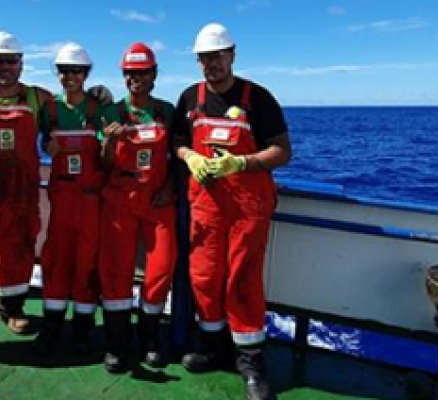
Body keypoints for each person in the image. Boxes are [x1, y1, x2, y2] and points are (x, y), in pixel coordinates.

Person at [171, 22, 292, 400]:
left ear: (232, 55)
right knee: (204, 278)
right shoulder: (190, 98)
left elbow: (282, 151)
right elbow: (176, 138)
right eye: (205, 58)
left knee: (242, 278)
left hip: (246, 207)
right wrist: (188, 155)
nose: (212, 64)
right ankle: (213, 346)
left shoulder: (258, 98)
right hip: (206, 206)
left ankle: (251, 362)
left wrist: (241, 163)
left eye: (218, 56)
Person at [99, 42, 177, 373]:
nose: (136, 78)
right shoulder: (111, 112)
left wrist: (171, 186)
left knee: (160, 267)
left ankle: (149, 338)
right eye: (130, 73)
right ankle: (118, 343)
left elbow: (180, 154)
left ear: (154, 74)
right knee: (116, 269)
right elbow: (101, 166)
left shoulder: (167, 111)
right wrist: (110, 143)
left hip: (158, 198)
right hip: (120, 196)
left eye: (142, 72)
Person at [33, 43, 106, 355]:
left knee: (87, 265)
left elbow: (109, 156)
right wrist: (46, 149)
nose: (69, 76)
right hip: (61, 199)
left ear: (86, 74)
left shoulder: (99, 108)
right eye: (63, 70)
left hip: (91, 201)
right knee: (55, 262)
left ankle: (82, 329)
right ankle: (51, 327)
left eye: (76, 71)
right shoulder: (48, 111)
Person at [0, 31, 52, 334]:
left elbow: (70, 113)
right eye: (0, 61)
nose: (5, 67)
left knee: (19, 248)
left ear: (21, 64)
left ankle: (13, 308)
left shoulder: (37, 97)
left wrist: (97, 101)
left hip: (21, 192)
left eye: (11, 61)